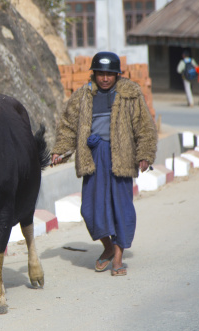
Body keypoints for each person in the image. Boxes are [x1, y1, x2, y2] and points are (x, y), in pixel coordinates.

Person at [51, 52, 157, 276]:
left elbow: (144, 126)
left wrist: (144, 154)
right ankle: (108, 247)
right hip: (94, 157)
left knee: (121, 209)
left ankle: (118, 257)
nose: (105, 78)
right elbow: (69, 125)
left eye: (110, 74)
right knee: (89, 209)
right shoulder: (83, 95)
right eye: (101, 74)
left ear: (117, 75)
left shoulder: (131, 93)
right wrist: (60, 150)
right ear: (94, 74)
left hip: (122, 156)